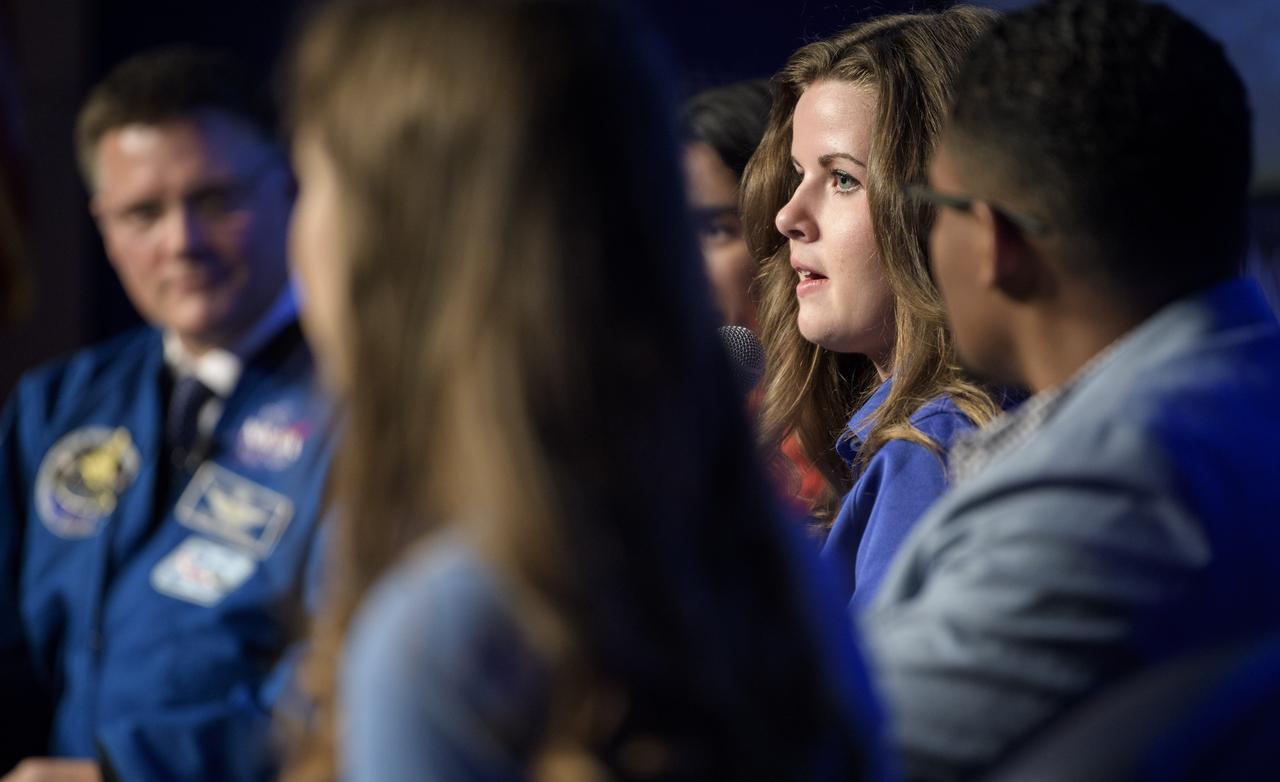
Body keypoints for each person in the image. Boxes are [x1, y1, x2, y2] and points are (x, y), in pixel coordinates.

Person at [282, 1, 885, 780]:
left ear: (397, 238)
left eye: (310, 179)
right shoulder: (763, 566)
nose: (298, 235)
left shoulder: (449, 638)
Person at [866, 0, 1280, 777]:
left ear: (998, 242)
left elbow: (832, 747)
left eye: (931, 208)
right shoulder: (1245, 402)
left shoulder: (1114, 490)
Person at [0, 47, 333, 781]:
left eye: (216, 200)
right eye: (143, 213)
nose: (180, 242)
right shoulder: (57, 406)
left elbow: (337, 689)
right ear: (103, 225)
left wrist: (132, 774)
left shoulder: (361, 413)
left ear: (287, 188)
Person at [739, 7, 1005, 609]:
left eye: (843, 180)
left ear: (941, 207)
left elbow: (880, 705)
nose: (787, 217)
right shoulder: (935, 433)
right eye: (797, 173)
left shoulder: (932, 447)